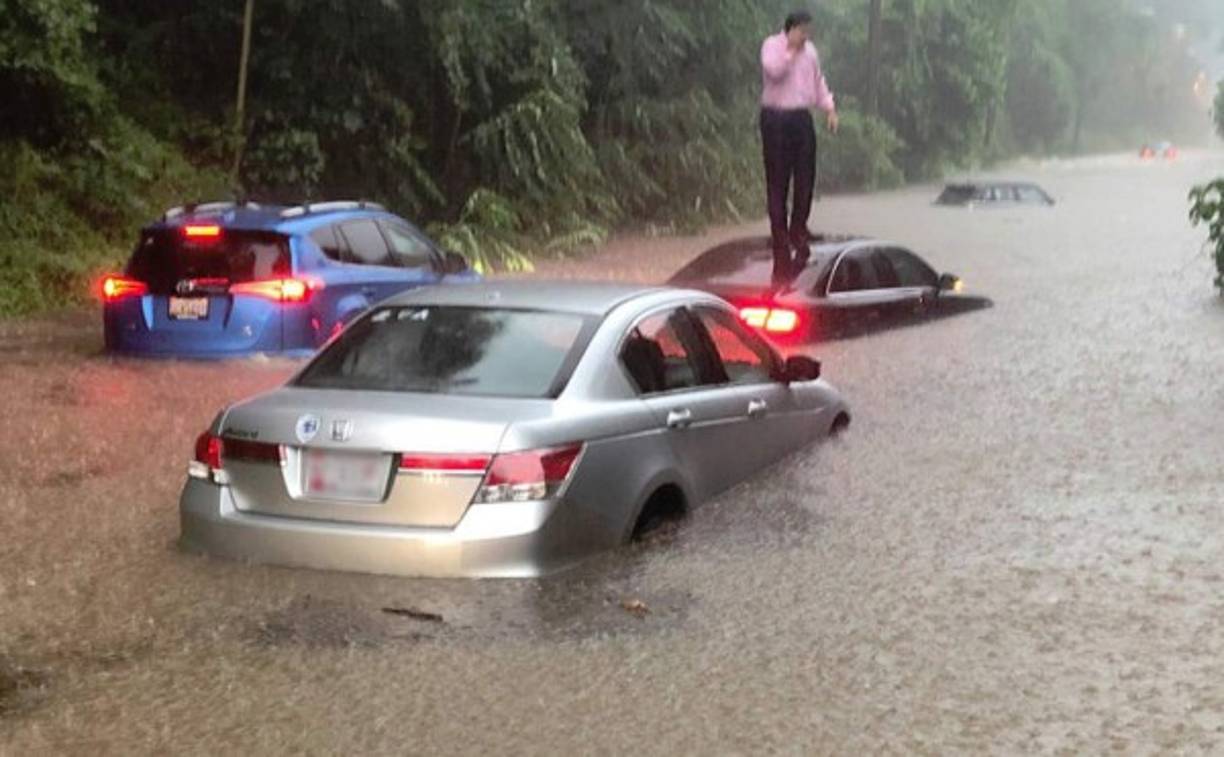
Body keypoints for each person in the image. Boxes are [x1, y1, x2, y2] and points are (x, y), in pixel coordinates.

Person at [760, 10, 839, 284]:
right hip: (775, 118)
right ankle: (779, 235)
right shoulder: (772, 46)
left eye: (808, 32)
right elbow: (774, 73)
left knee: (806, 177)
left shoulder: (811, 52)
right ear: (791, 29)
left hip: (801, 118)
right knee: (778, 180)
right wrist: (790, 52)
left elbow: (818, 81)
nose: (806, 36)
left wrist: (829, 108)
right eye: (802, 31)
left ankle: (798, 228)